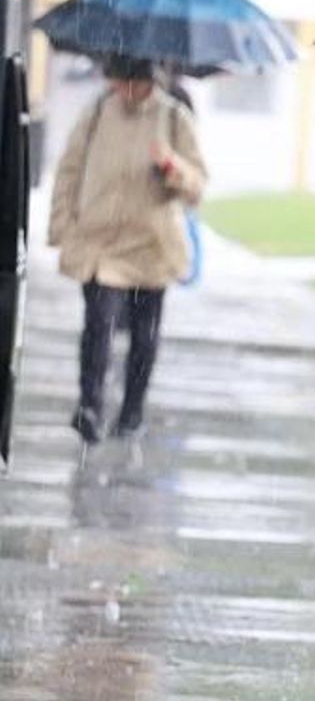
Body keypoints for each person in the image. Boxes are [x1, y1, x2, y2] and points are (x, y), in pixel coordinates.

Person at [47, 53, 207, 443]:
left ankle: (132, 410)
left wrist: (172, 167)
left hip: (151, 244)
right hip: (100, 241)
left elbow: (196, 186)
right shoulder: (98, 112)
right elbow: (70, 169)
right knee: (98, 326)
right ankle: (90, 405)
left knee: (144, 335)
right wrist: (62, 226)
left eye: (123, 82)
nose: (118, 90)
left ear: (143, 81)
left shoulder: (173, 117)